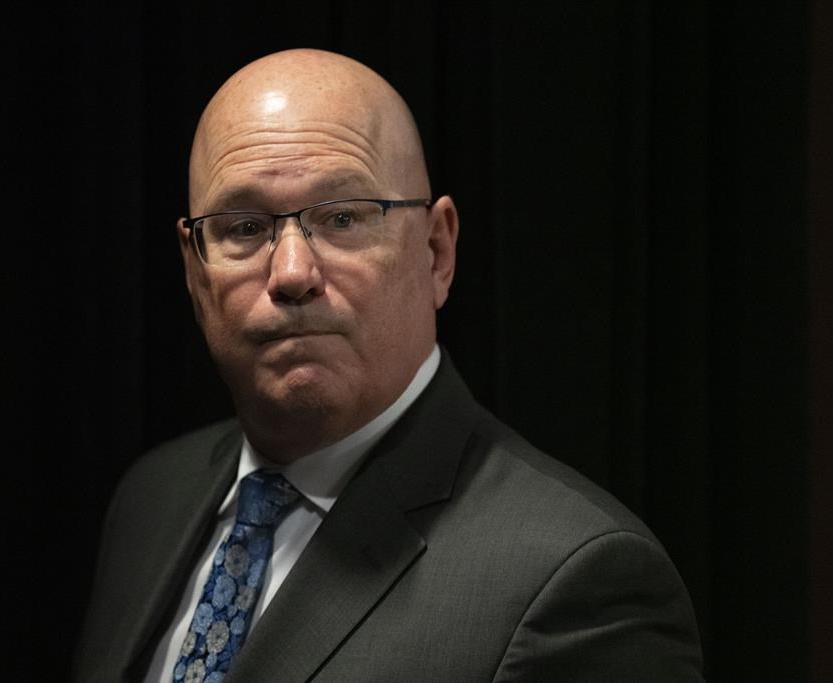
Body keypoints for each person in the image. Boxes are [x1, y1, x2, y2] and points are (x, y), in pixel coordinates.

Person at [74, 48, 703, 682]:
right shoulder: (152, 498)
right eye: (243, 227)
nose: (292, 274)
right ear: (193, 269)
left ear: (436, 252)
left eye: (342, 217)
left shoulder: (576, 582)